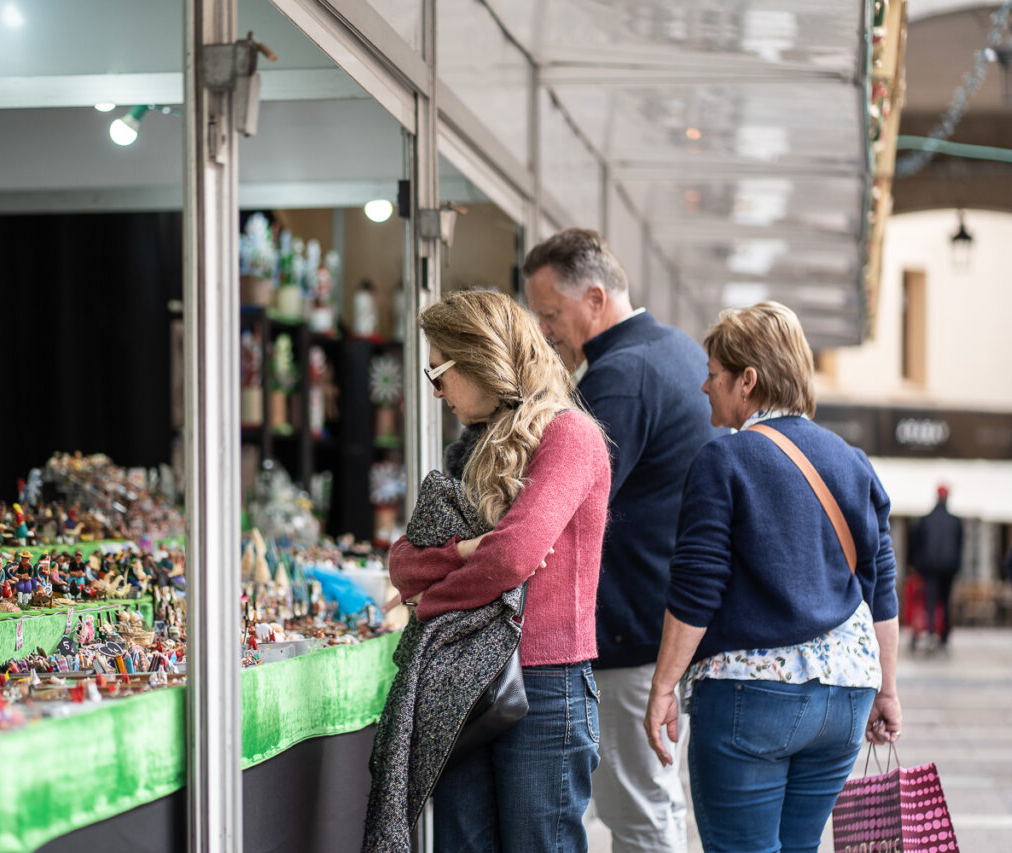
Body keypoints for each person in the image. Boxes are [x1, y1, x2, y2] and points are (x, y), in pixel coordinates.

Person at [643, 302, 903, 853]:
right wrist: (888, 690)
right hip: (846, 697)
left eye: (713, 374)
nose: (705, 386)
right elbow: (880, 587)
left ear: (748, 380)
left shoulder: (725, 460)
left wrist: (663, 686)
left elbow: (698, 587)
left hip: (751, 695)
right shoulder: (853, 461)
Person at [385, 290, 611, 852]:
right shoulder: (475, 446)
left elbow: (511, 557)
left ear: (479, 359)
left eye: (437, 373)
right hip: (466, 678)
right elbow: (403, 560)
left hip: (545, 683)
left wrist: (429, 602)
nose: (435, 392)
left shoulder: (570, 435)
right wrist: (466, 552)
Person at [524, 227, 715, 852]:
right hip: (663, 623)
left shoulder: (620, 376)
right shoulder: (677, 350)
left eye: (552, 314)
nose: (545, 330)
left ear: (595, 299)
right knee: (652, 802)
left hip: (630, 632)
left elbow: (562, 505)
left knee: (637, 810)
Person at [909, 485, 963, 650]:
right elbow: (960, 546)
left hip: (929, 567)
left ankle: (931, 632)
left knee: (930, 601)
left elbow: (915, 544)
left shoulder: (926, 520)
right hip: (949, 567)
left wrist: (915, 564)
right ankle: (944, 636)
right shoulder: (955, 521)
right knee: (946, 601)